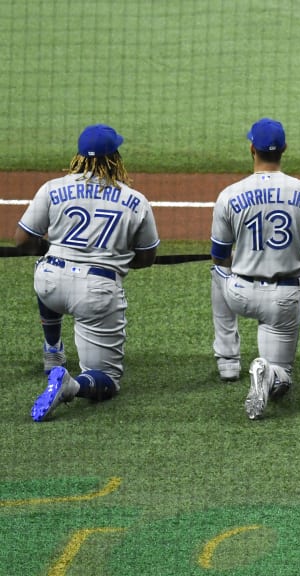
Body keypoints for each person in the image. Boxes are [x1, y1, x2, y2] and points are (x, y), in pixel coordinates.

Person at [15, 124, 160, 422]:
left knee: (43, 266)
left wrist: (49, 247)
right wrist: (116, 258)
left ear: (78, 157)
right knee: (106, 379)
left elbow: (23, 239)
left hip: (50, 283)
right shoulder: (135, 200)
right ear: (115, 158)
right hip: (97, 292)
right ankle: (71, 385)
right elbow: (147, 258)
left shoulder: (53, 188)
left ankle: (52, 348)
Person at [210, 118, 300, 420]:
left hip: (239, 293)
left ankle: (228, 360)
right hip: (283, 297)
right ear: (284, 149)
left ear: (251, 148)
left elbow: (219, 254)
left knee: (217, 272)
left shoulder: (230, 194)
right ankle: (267, 371)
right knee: (282, 374)